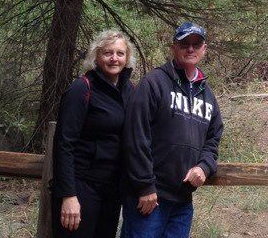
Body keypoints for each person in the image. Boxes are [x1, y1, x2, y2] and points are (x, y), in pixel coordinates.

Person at [122, 22, 223, 238]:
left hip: (182, 201)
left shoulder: (207, 95)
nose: (190, 49)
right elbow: (135, 137)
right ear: (173, 47)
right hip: (149, 198)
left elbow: (213, 139)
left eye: (196, 44)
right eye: (184, 43)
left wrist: (204, 167)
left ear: (204, 49)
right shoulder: (154, 83)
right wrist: (145, 186)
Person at [52, 30, 135, 237]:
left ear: (127, 57)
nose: (114, 58)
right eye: (108, 53)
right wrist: (68, 195)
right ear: (96, 56)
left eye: (120, 53)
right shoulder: (81, 88)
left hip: (111, 189)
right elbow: (64, 144)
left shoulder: (129, 90)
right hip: (82, 188)